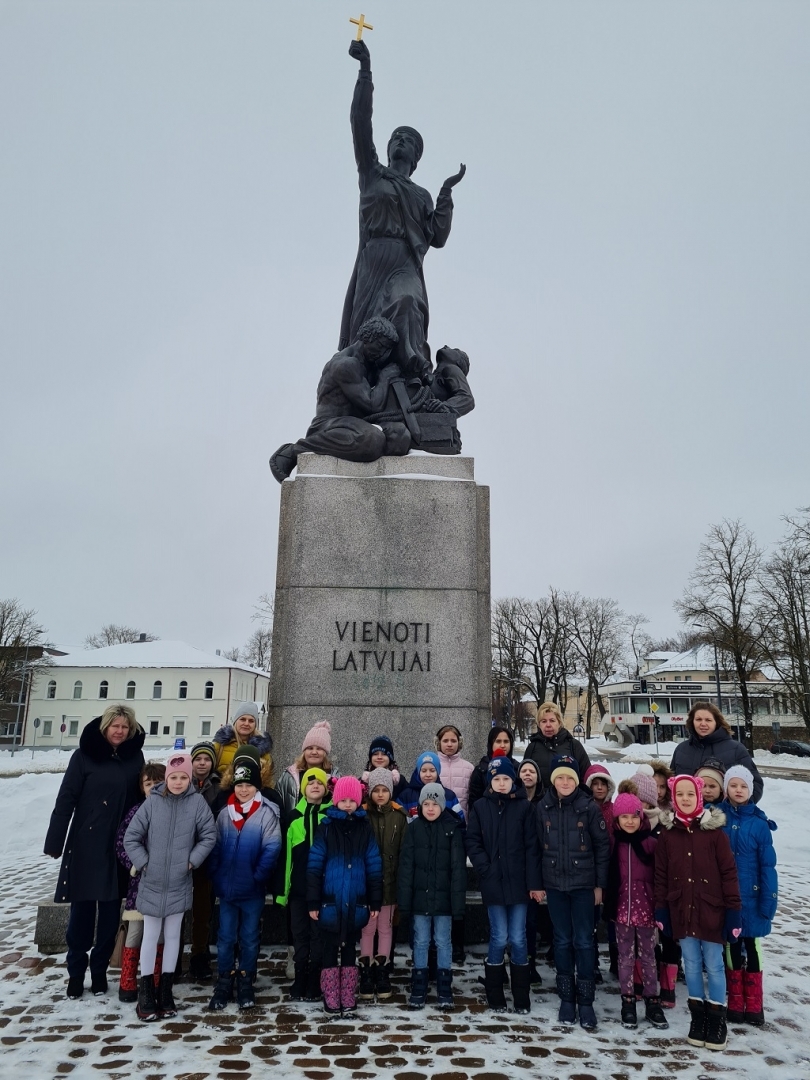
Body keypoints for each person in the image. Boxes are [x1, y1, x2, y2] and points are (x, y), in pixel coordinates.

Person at [341, 37, 465, 384]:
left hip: (404, 262)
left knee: (409, 301)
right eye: (396, 136)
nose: (400, 141)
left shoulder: (421, 195)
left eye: (408, 140)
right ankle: (364, 384)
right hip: (373, 259)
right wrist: (365, 72)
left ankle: (412, 373)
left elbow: (437, 237)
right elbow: (359, 122)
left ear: (415, 157)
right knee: (367, 332)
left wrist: (445, 194)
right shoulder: (372, 173)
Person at [44, 704, 146, 999]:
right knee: (82, 913)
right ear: (104, 728)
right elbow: (67, 798)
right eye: (115, 726)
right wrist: (55, 841)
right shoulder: (84, 756)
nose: (120, 731)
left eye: (125, 727)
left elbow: (142, 798)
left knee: (111, 913)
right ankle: (76, 972)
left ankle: (99, 970)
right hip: (87, 843)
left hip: (119, 846)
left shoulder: (133, 758)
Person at [124, 752, 216, 1022]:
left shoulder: (197, 803)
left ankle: (165, 991)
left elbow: (209, 835)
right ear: (166, 778)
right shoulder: (153, 803)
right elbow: (132, 837)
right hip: (152, 882)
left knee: (174, 935)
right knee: (151, 935)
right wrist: (144, 863)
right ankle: (146, 992)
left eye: (183, 777)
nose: (178, 782)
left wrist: (192, 861)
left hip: (179, 882)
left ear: (189, 778)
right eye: (173, 777)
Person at [654, 775, 742, 1051]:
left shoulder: (716, 834)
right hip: (682, 908)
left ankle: (717, 1020)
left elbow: (729, 874)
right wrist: (661, 909)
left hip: (711, 909)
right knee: (691, 964)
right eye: (679, 794)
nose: (685, 799)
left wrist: (734, 912)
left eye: (690, 794)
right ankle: (698, 1018)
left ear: (699, 796)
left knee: (714, 965)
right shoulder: (668, 834)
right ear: (673, 798)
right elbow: (661, 875)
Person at [269, 317, 411, 480]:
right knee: (372, 439)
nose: (383, 354)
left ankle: (373, 473)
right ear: (367, 337)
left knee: (400, 436)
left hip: (354, 424)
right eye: (380, 346)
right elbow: (373, 405)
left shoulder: (368, 363)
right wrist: (385, 377)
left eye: (387, 350)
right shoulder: (346, 364)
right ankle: (294, 450)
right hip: (329, 425)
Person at [536, 754, 610, 1031]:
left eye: (570, 777)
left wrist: (599, 885)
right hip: (555, 884)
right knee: (562, 940)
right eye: (560, 777)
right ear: (553, 780)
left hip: (583, 885)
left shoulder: (588, 807)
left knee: (584, 940)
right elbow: (535, 846)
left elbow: (602, 847)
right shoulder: (543, 808)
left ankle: (586, 999)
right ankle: (567, 996)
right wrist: (537, 883)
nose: (565, 782)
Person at [466, 755, 542, 1014]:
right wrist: (485, 868)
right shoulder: (480, 807)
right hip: (493, 883)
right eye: (496, 779)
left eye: (506, 779)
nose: (501, 783)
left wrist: (533, 883)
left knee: (519, 938)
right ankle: (495, 992)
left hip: (519, 884)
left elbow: (533, 848)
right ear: (490, 781)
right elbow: (473, 842)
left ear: (514, 781)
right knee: (499, 937)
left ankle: (521, 995)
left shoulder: (525, 808)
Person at [206, 754, 282, 1011]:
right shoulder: (224, 815)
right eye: (239, 785)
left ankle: (246, 980)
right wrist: (216, 874)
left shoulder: (266, 814)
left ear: (257, 787)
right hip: (227, 890)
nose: (244, 790)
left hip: (252, 889)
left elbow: (272, 847)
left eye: (249, 785)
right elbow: (215, 846)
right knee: (225, 937)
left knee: (249, 937)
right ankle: (224, 980)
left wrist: (258, 876)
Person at [306, 776, 383, 1016]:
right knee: (330, 947)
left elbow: (374, 865)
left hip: (356, 901)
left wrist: (375, 899)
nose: (348, 804)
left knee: (350, 947)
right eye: (343, 800)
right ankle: (330, 992)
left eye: (352, 800)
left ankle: (348, 991)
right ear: (336, 800)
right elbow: (315, 866)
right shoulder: (326, 827)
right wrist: (313, 900)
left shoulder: (365, 828)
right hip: (330, 901)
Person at [397, 784, 467, 1009]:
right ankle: (419, 983)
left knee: (443, 941)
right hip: (419, 899)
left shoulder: (452, 828)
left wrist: (457, 904)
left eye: (434, 804)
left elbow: (457, 869)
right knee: (421, 940)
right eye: (426, 804)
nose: (430, 808)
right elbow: (406, 866)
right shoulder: (414, 828)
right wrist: (405, 901)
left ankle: (445, 985)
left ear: (442, 805)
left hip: (444, 899)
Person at [603, 792, 668, 1031]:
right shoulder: (614, 843)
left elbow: (662, 876)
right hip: (622, 910)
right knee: (625, 957)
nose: (629, 821)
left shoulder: (651, 843)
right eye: (624, 817)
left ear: (641, 818)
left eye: (634, 816)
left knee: (649, 957)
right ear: (617, 820)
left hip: (647, 910)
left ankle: (652, 1000)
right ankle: (628, 1000)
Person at [720, 765, 778, 1026]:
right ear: (726, 789)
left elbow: (768, 867)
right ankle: (735, 1000)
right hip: (727, 899)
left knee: (752, 947)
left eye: (743, 786)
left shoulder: (759, 824)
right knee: (732, 947)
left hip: (753, 900)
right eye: (733, 785)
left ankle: (754, 1003)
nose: (739, 790)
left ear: (751, 790)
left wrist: (769, 901)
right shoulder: (718, 818)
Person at [277, 767, 332, 1002]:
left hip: (323, 891)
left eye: (319, 783)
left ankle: (315, 978)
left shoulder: (331, 818)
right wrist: (282, 891)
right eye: (310, 784)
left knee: (318, 935)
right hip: (299, 890)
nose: (315, 786)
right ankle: (300, 977)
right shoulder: (293, 818)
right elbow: (286, 857)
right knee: (299, 934)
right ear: (303, 789)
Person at [115, 762, 166, 1003]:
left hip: (166, 884)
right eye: (149, 784)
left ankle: (155, 980)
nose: (154, 787)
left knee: (160, 935)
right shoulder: (136, 811)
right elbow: (123, 842)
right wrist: (138, 865)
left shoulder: (172, 810)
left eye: (158, 783)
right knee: (135, 933)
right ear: (142, 787)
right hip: (140, 885)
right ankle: (128, 981)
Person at [359, 767, 407, 1001]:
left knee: (385, 928)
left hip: (390, 883)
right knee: (367, 928)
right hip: (367, 884)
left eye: (384, 790)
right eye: (376, 790)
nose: (380, 794)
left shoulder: (399, 816)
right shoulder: (362, 814)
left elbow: (403, 852)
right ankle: (366, 970)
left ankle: (382, 969)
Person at [669, 702, 763, 803]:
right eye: (698, 719)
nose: (703, 724)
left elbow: (755, 784)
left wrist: (738, 810)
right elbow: (671, 783)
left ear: (716, 722)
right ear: (692, 721)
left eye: (708, 720)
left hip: (726, 816)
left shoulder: (736, 749)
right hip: (688, 816)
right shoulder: (681, 749)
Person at [188, 741, 221, 981]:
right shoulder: (180, 782)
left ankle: (200, 953)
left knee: (203, 908)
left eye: (206, 759)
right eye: (198, 759)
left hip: (207, 856)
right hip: (181, 854)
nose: (202, 763)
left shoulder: (219, 787)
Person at [583, 763, 617, 983]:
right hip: (589, 873)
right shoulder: (584, 809)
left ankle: (616, 960)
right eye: (594, 784)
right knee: (591, 921)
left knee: (614, 919)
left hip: (614, 871)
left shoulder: (614, 810)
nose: (598, 788)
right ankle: (592, 962)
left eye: (602, 784)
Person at [522, 703, 591, 790]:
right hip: (541, 802)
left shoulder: (574, 746)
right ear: (539, 725)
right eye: (543, 721)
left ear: (559, 722)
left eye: (552, 720)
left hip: (570, 801)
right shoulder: (532, 748)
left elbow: (586, 778)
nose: (548, 725)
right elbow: (525, 779)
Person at [276, 721, 338, 814]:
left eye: (319, 748)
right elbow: (278, 804)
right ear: (304, 751)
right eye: (310, 748)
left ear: (325, 753)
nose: (314, 752)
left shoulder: (335, 778)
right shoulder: (289, 777)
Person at [398, 750, 465, 824]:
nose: (428, 774)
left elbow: (460, 823)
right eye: (424, 771)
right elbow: (400, 824)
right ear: (418, 772)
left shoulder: (449, 796)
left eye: (432, 770)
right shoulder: (406, 796)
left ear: (438, 772)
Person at [212, 703, 273, 777]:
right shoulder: (221, 745)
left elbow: (267, 780)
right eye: (242, 719)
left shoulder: (262, 750)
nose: (246, 723)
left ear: (255, 724)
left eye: (251, 721)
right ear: (235, 721)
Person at [468, 727, 517, 809]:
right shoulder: (481, 770)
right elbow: (474, 800)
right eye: (498, 741)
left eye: (506, 741)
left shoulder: (517, 767)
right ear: (491, 744)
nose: (502, 745)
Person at [360, 734, 406, 799]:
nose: (379, 757)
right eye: (375, 754)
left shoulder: (400, 781)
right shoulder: (362, 782)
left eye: (384, 754)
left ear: (390, 758)